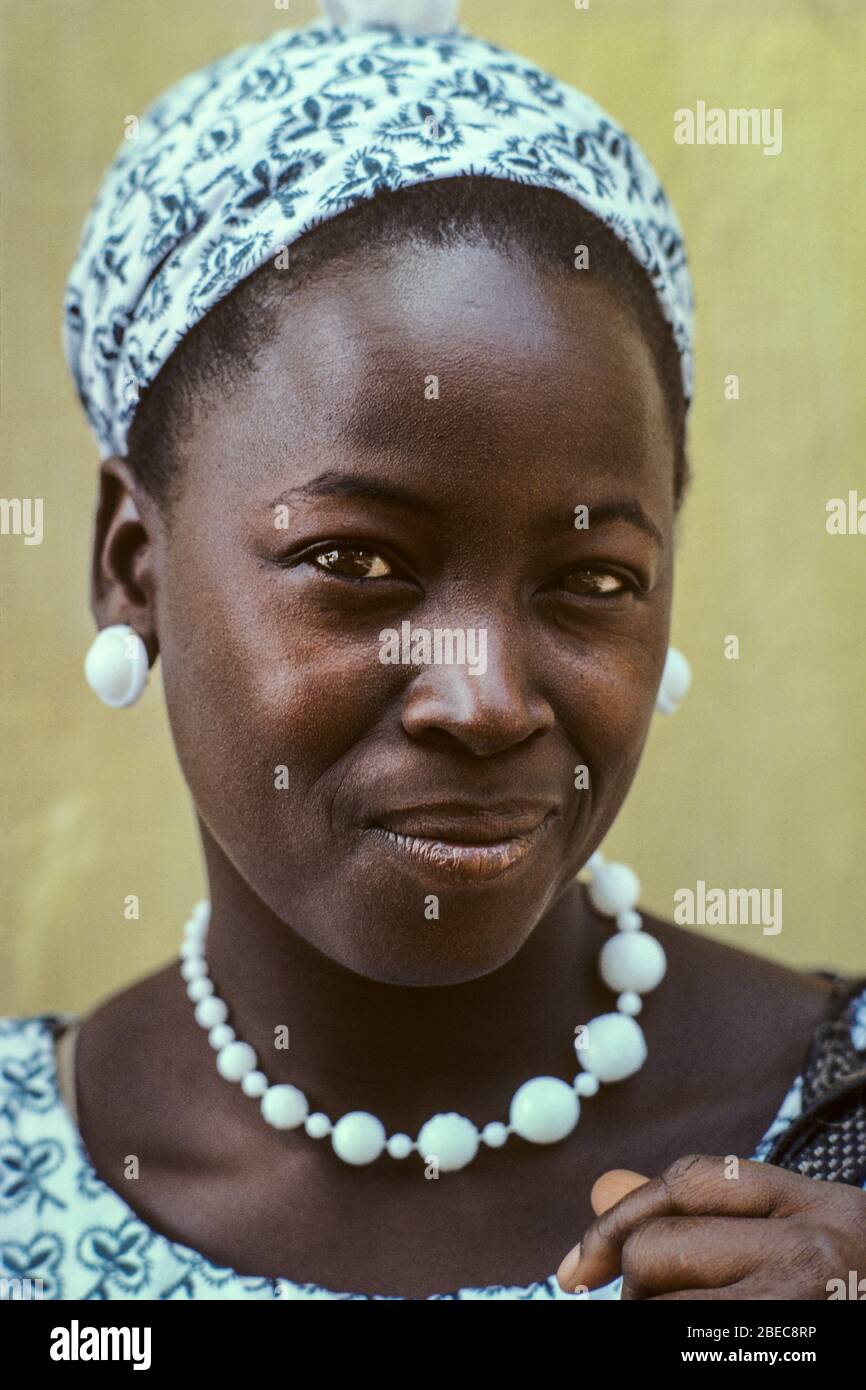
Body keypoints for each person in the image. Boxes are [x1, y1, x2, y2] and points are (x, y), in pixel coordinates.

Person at [2, 1, 865, 1302]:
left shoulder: (835, 1171)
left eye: (591, 579)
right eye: (356, 562)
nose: (486, 698)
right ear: (131, 561)